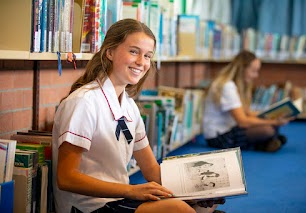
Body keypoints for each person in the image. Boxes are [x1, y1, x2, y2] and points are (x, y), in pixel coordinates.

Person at [52, 19, 224, 213]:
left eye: (148, 56)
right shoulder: (84, 102)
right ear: (109, 52)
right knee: (177, 209)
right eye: (134, 51)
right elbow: (66, 178)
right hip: (87, 207)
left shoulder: (130, 106)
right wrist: (132, 190)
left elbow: (151, 170)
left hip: (119, 198)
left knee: (203, 207)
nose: (142, 62)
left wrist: (197, 190)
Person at [202, 50, 292, 152]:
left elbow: (247, 112)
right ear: (242, 69)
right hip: (219, 137)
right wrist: (274, 121)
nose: (256, 75)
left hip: (231, 128)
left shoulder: (234, 84)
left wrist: (272, 115)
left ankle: (267, 142)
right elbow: (243, 122)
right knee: (267, 130)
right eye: (253, 71)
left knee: (270, 127)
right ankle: (264, 143)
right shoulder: (227, 86)